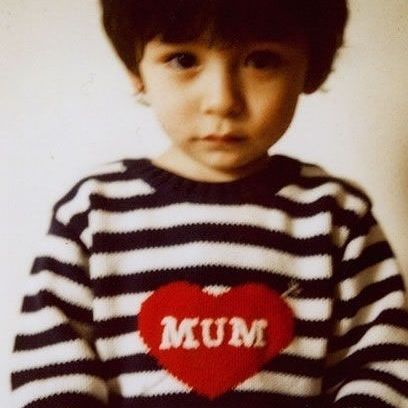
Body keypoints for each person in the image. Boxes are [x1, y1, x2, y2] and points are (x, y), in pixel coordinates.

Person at [11, 1, 408, 407]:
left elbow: (381, 367)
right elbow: (51, 376)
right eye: (183, 60)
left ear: (313, 68)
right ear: (136, 71)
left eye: (261, 60)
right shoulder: (93, 214)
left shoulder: (336, 217)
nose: (221, 101)